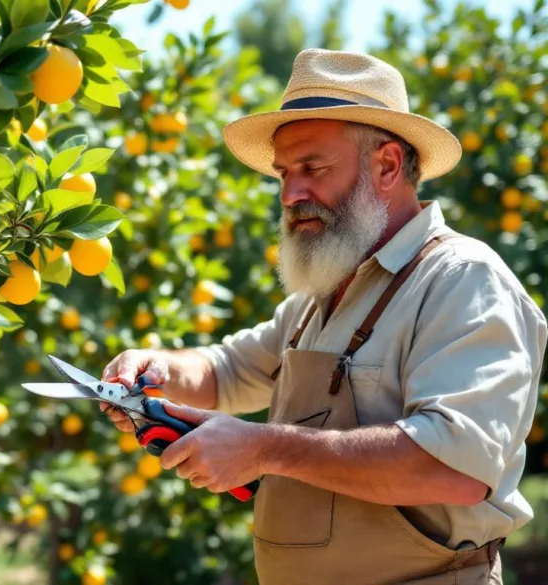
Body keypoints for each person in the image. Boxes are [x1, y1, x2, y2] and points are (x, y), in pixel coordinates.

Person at [101, 48, 547, 584]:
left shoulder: (462, 280)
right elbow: (225, 372)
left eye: (312, 167)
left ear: (386, 165)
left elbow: (453, 467)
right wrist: (159, 371)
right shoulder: (325, 295)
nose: (291, 194)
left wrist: (263, 447)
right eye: (284, 173)